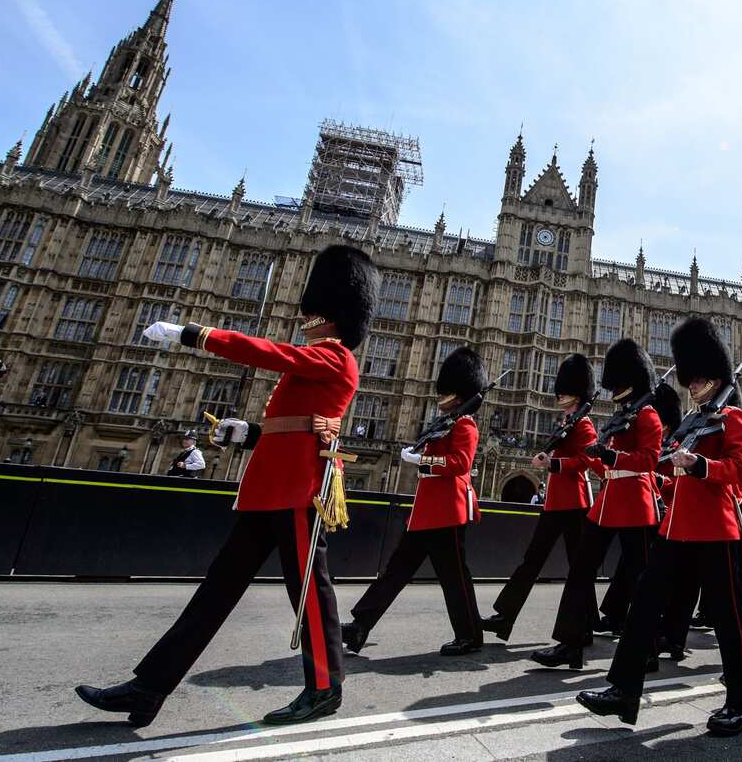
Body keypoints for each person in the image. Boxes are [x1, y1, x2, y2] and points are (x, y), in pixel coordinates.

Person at [75, 244, 378, 726]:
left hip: (300, 490)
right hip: (268, 487)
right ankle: (150, 687)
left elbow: (267, 353)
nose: (307, 319)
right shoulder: (317, 356)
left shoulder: (336, 357)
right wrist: (249, 433)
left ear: (334, 315)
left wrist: (195, 334)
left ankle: (325, 688)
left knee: (309, 594)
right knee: (215, 592)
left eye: (315, 312)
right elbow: (294, 424)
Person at [577, 318, 742, 736]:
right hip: (675, 529)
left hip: (716, 530)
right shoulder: (691, 422)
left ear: (715, 377)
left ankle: (741, 701)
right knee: (642, 607)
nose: (691, 386)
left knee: (728, 618)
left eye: (697, 379)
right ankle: (622, 690)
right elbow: (662, 460)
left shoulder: (733, 420)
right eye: (689, 379)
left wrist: (701, 465)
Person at [342, 346, 487, 657]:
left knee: (455, 579)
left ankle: (470, 635)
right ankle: (359, 626)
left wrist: (423, 461)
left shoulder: (465, 424)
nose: (441, 396)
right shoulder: (445, 422)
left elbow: (460, 463)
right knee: (395, 572)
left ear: (459, 393)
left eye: (447, 391)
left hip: (448, 511)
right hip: (427, 512)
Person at [531, 339, 663, 669]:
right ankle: (570, 644)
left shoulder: (648, 417)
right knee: (580, 572)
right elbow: (608, 464)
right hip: (607, 504)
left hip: (636, 504)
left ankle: (647, 649)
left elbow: (649, 460)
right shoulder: (620, 418)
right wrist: (598, 458)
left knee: (640, 581)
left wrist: (611, 456)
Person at [482, 354, 598, 642]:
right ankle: (505, 617)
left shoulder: (583, 425)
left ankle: (586, 622)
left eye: (566, 390)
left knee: (578, 568)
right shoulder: (566, 422)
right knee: (531, 561)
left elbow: (585, 460)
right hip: (556, 501)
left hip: (576, 503)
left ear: (578, 393)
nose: (560, 394)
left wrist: (553, 464)